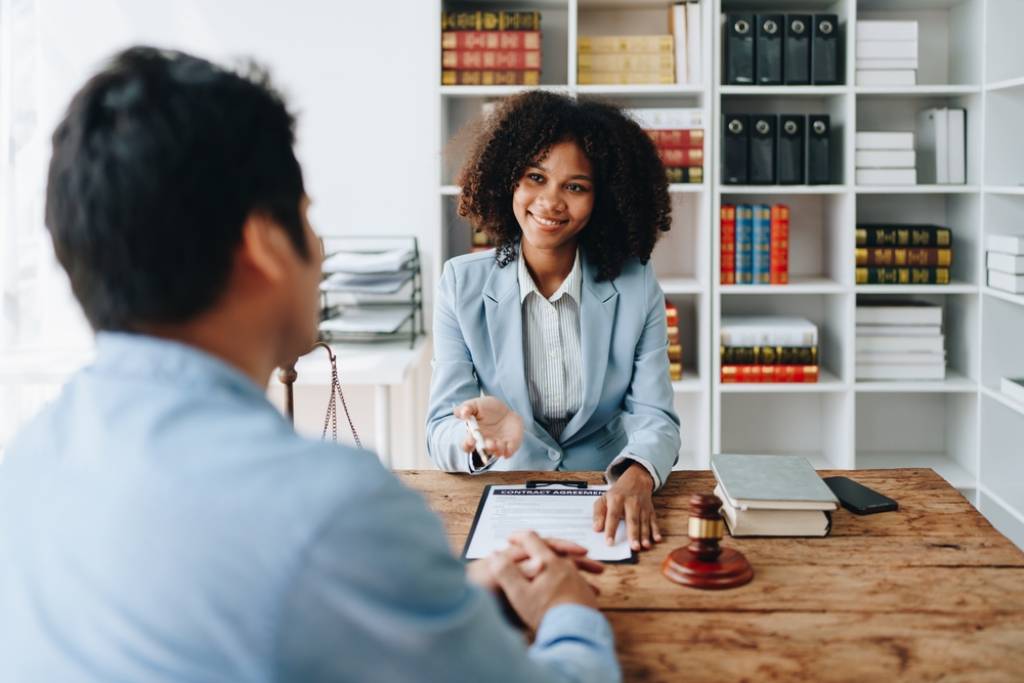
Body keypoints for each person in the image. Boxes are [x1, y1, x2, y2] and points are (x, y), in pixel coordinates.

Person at [0, 47, 621, 682]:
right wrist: (569, 612)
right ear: (263, 245)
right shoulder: (333, 510)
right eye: (306, 217)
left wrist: (432, 597)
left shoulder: (23, 465)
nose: (321, 249)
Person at [426, 91, 682, 553]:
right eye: (535, 178)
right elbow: (439, 430)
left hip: (605, 499)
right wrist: (478, 438)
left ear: (603, 199)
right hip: (505, 498)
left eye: (575, 186)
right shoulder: (459, 285)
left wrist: (639, 472)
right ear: (508, 180)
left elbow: (654, 416)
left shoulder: (636, 284)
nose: (550, 202)